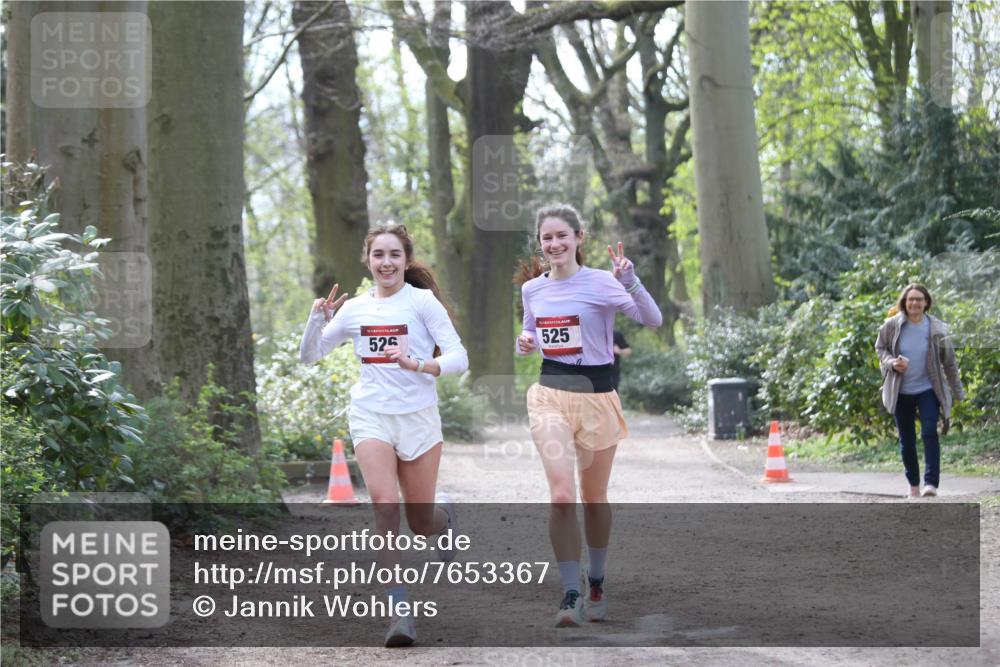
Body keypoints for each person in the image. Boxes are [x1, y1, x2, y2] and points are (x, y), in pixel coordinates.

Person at [299, 222, 468, 647]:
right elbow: (311, 356)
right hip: (371, 415)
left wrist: (419, 364)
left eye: (394, 255)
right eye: (379, 255)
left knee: (420, 522)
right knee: (385, 507)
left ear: (406, 260)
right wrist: (315, 321)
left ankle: (442, 516)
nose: (387, 262)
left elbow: (459, 358)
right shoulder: (355, 309)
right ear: (368, 260)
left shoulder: (422, 302)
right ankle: (399, 613)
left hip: (419, 420)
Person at [515, 203, 662, 627]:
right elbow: (532, 330)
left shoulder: (601, 282)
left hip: (597, 396)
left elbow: (652, 319)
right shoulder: (532, 289)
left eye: (563, 235)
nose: (555, 244)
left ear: (580, 238)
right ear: (540, 244)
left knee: (593, 498)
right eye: (547, 238)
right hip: (549, 395)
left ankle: (596, 580)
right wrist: (525, 340)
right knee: (561, 495)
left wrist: (631, 282)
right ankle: (571, 592)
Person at [875, 283, 965, 499]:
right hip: (901, 390)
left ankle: (931, 483)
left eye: (919, 299)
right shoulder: (892, 326)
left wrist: (958, 392)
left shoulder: (937, 329)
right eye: (910, 299)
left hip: (928, 389)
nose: (914, 303)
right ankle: (913, 485)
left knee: (928, 432)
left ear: (926, 303)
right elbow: (881, 349)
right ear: (904, 303)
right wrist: (891, 362)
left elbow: (949, 364)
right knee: (907, 439)